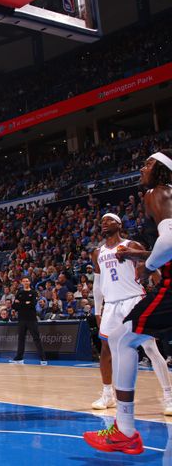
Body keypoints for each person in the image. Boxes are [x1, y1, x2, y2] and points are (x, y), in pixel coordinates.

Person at [84, 151, 172, 455]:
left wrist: (147, 267)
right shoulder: (99, 252)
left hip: (146, 293)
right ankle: (123, 424)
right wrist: (143, 258)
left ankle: (126, 430)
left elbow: (169, 241)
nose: (142, 168)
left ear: (161, 170)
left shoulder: (155, 194)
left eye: (148, 164)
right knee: (122, 342)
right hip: (113, 304)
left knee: (126, 343)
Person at [89, 213, 172, 415]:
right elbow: (97, 284)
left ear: (119, 224)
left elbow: (154, 268)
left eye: (108, 220)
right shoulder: (97, 253)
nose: (104, 223)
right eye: (102, 222)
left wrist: (157, 293)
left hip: (133, 300)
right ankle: (108, 395)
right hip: (111, 305)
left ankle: (169, 396)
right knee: (106, 350)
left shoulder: (131, 244)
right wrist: (97, 310)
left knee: (150, 348)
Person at [9, 278, 48, 365]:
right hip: (21, 319)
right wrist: (25, 303)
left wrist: (21, 303)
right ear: (22, 282)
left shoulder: (34, 293)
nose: (26, 282)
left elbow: (32, 304)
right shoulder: (19, 292)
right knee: (21, 338)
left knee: (36, 338)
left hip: (31, 319)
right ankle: (19, 358)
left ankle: (43, 359)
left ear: (29, 282)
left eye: (27, 281)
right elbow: (14, 306)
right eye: (24, 281)